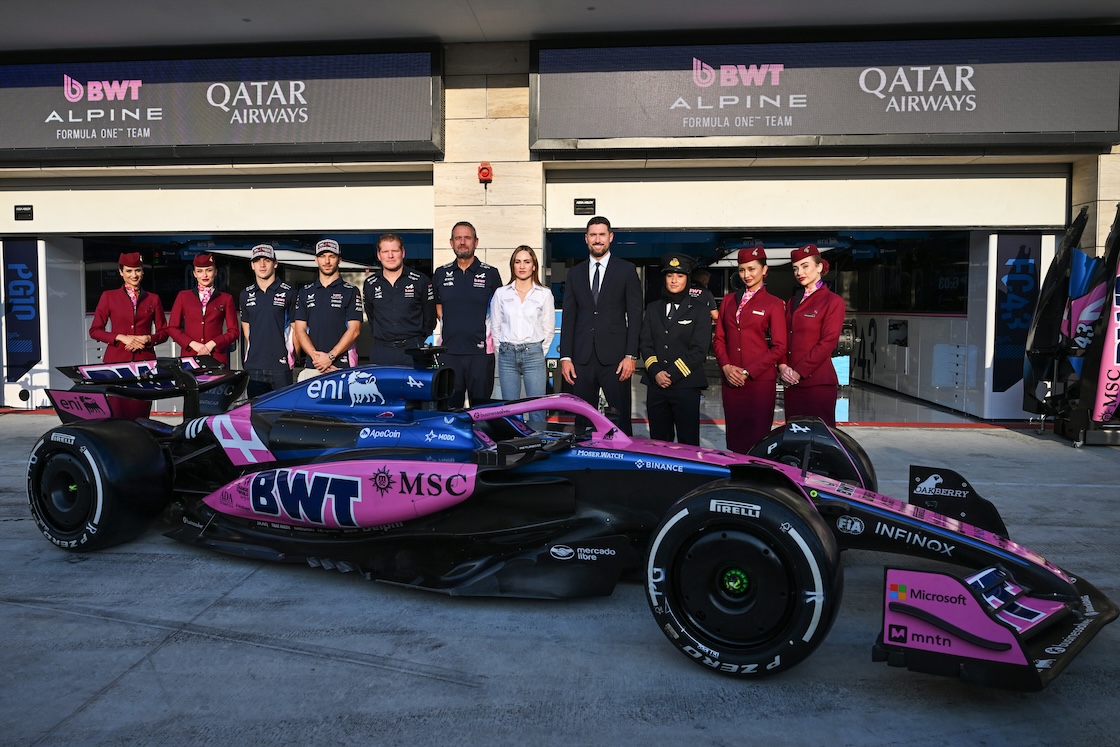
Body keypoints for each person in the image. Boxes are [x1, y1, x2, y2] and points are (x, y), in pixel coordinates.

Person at [559, 216, 643, 436]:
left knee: (620, 418)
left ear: (611, 237)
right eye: (593, 235)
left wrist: (631, 355)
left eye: (602, 235)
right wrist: (565, 357)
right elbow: (569, 317)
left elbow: (635, 316)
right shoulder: (575, 273)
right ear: (586, 239)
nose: (598, 240)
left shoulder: (626, 270)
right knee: (583, 420)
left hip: (616, 359)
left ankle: (622, 462)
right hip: (582, 359)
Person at [713, 246, 788, 452]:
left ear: (764, 270)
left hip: (758, 382)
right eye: (742, 269)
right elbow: (719, 339)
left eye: (752, 269)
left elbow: (779, 346)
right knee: (735, 435)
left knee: (758, 437)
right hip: (731, 380)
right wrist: (726, 367)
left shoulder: (774, 304)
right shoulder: (728, 301)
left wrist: (748, 371)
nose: (747, 275)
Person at [639, 253, 712, 445]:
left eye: (679, 276)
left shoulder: (700, 310)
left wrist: (670, 374)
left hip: (686, 385)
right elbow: (645, 343)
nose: (673, 280)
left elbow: (699, 349)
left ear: (688, 279)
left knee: (688, 442)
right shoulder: (653, 308)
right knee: (658, 441)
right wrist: (655, 372)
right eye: (670, 275)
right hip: (656, 386)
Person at [434, 221, 503, 408]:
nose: (462, 242)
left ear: (476, 242)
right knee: (449, 412)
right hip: (449, 354)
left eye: (467, 238)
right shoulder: (441, 273)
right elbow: (437, 306)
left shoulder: (491, 274)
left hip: (480, 355)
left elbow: (499, 311)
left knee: (481, 412)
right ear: (451, 242)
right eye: (458, 238)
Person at [780, 244, 846, 427]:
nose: (799, 272)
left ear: (819, 267)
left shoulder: (833, 301)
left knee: (820, 439)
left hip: (817, 384)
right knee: (794, 437)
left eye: (805, 266)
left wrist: (799, 372)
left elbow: (828, 342)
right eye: (795, 268)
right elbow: (783, 337)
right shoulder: (793, 301)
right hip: (791, 383)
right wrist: (783, 366)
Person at [490, 245, 555, 426]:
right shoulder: (501, 294)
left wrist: (538, 351)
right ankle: (512, 451)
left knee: (537, 410)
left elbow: (548, 328)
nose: (522, 266)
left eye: (527, 262)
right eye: (518, 262)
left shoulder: (544, 294)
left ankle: (539, 448)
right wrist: (501, 349)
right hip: (507, 355)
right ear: (513, 266)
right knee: (510, 409)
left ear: (534, 265)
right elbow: (495, 326)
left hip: (533, 354)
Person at [292, 238, 363, 382]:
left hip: (341, 365)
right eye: (322, 256)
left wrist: (330, 357)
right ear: (316, 260)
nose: (327, 261)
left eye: (332, 256)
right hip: (314, 365)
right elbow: (299, 330)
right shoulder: (305, 292)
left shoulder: (350, 290)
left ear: (339, 260)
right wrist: (317, 358)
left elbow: (355, 329)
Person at [363, 233, 436, 366]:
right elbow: (371, 316)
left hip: (414, 350)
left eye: (394, 251)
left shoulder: (421, 281)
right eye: (385, 251)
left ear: (403, 253)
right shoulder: (370, 283)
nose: (390, 256)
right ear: (379, 255)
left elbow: (430, 318)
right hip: (382, 351)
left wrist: (418, 339)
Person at [239, 243, 298, 398]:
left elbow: (297, 330)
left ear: (275, 263)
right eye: (258, 260)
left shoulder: (289, 292)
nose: (262, 264)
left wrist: (291, 356)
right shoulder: (245, 294)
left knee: (282, 415)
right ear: (252, 265)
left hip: (281, 366)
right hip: (254, 366)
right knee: (256, 416)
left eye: (267, 260)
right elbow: (247, 331)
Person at [89, 252, 168, 363]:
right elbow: (95, 331)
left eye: (138, 270)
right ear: (121, 272)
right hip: (116, 360)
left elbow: (164, 333)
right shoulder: (109, 297)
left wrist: (148, 338)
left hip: (145, 359)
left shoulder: (153, 299)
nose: (134, 275)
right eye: (129, 271)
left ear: (143, 271)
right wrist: (121, 337)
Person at [167, 253, 239, 366]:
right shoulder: (183, 296)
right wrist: (192, 344)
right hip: (190, 356)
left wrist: (213, 343)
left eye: (209, 270)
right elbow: (172, 328)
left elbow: (234, 331)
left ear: (215, 272)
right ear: (194, 274)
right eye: (200, 271)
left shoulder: (226, 298)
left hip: (216, 357)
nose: (204, 275)